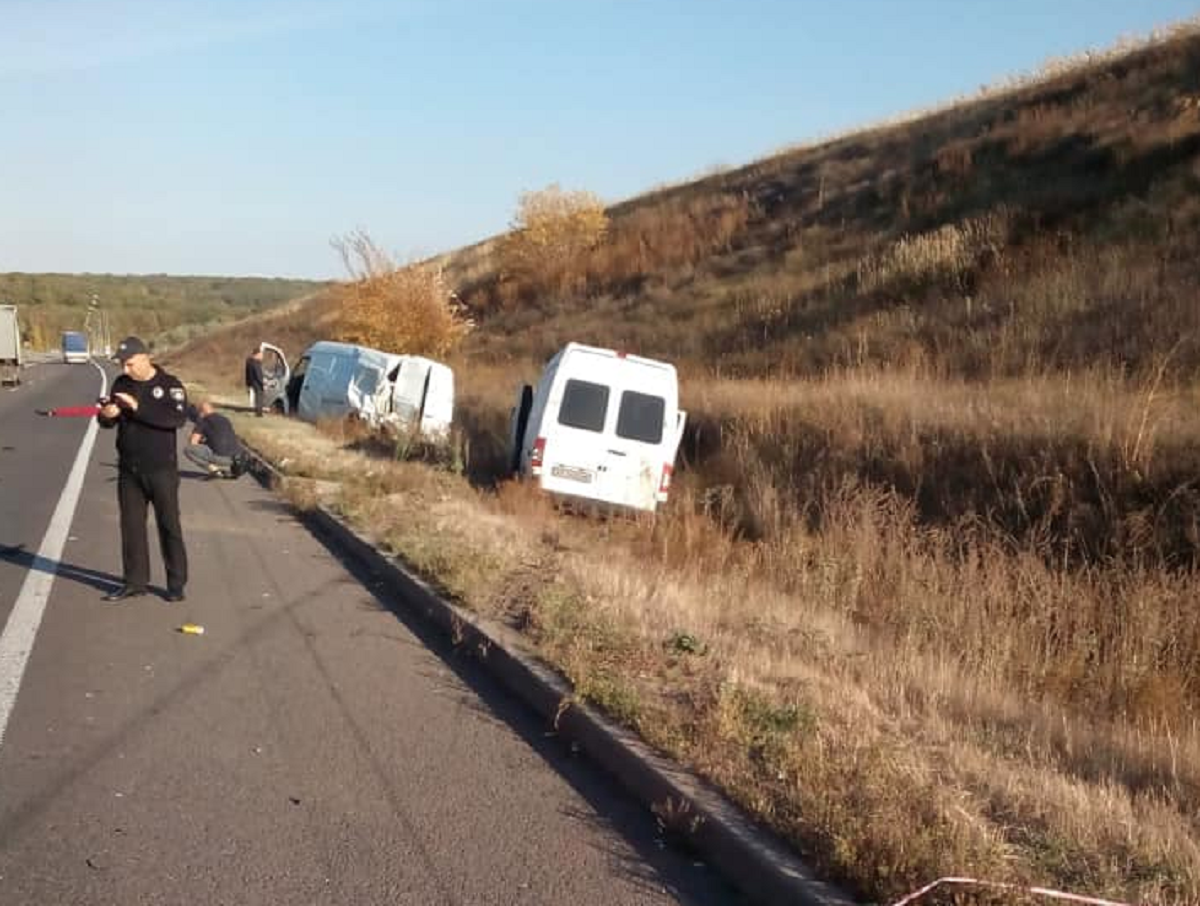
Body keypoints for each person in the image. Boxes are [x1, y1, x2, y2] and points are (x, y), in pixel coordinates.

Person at [97, 336, 189, 603]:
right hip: (129, 470)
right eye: (122, 365)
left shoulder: (170, 385)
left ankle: (176, 584)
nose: (126, 370)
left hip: (161, 469)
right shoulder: (122, 384)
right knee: (131, 527)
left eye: (130, 364)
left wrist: (137, 407)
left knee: (169, 525)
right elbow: (107, 422)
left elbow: (175, 419)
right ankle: (134, 582)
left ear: (145, 357)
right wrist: (106, 415)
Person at [185, 400, 243, 478]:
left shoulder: (203, 421)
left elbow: (193, 442)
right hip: (235, 457)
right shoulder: (225, 419)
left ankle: (214, 470)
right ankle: (234, 470)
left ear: (201, 413)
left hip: (221, 457)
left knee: (188, 450)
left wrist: (197, 436)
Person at [244, 346, 264, 417]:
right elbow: (258, 374)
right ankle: (259, 413)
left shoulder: (249, 361)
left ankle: (255, 412)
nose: (262, 356)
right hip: (257, 383)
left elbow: (247, 374)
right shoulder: (255, 363)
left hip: (251, 383)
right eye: (261, 354)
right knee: (259, 398)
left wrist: (248, 383)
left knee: (254, 399)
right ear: (257, 354)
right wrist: (263, 383)